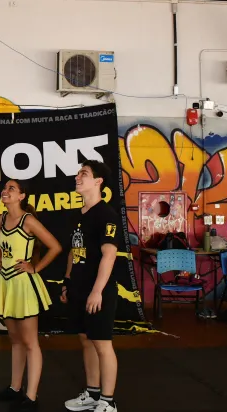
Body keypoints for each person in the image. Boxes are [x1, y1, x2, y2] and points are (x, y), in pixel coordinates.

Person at [0, 179, 62, 411]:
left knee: (31, 342)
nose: (5, 191)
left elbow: (55, 246)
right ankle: (15, 387)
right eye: (5, 188)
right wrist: (0, 262)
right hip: (6, 283)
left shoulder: (27, 220)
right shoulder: (1, 219)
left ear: (22, 196)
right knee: (15, 339)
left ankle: (31, 397)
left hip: (23, 285)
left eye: (12, 189)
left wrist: (34, 267)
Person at [61, 160, 124, 412]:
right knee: (86, 340)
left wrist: (97, 291)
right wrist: (67, 282)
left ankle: (108, 402)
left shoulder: (106, 215)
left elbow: (108, 255)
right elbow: (73, 252)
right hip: (78, 288)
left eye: (84, 174)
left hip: (99, 291)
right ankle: (93, 393)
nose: (78, 177)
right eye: (78, 173)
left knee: (102, 343)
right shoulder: (79, 215)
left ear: (98, 181)